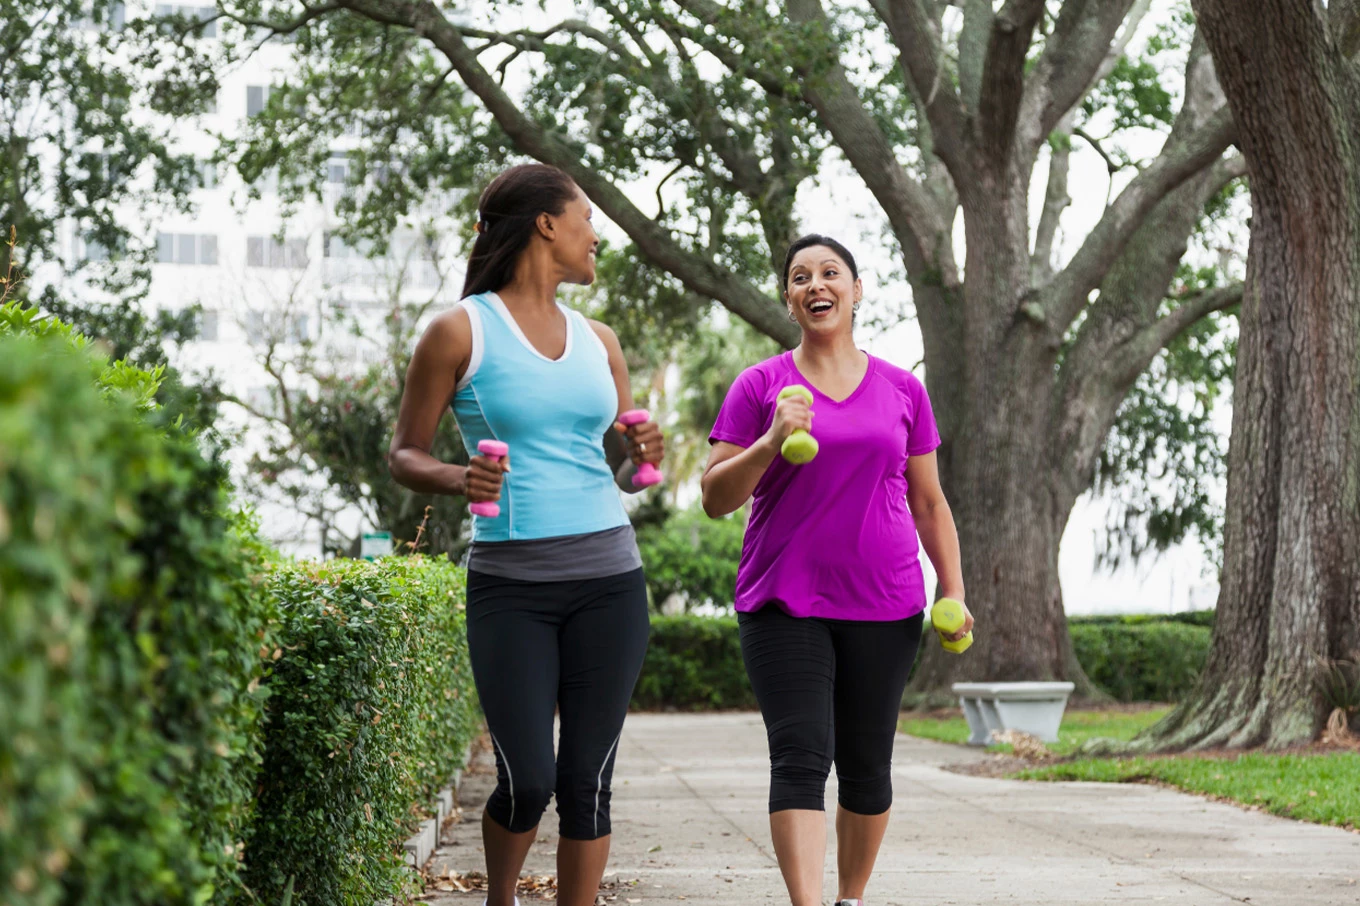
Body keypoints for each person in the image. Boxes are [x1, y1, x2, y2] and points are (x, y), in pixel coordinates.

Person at [388, 163, 664, 906]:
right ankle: (501, 900)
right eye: (585, 219)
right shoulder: (458, 330)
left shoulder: (600, 339)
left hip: (610, 578)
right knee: (529, 780)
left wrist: (644, 458)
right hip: (512, 588)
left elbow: (625, 461)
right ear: (547, 224)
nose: (595, 235)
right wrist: (457, 477)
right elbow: (404, 452)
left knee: (587, 781)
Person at [700, 234, 971, 906]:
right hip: (783, 600)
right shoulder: (760, 385)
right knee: (798, 756)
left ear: (854, 289)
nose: (815, 284)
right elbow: (714, 497)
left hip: (887, 602)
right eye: (800, 277)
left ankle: (850, 899)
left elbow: (930, 502)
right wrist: (769, 441)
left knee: (867, 768)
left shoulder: (903, 389)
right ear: (790, 300)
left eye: (830, 273)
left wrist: (955, 589)